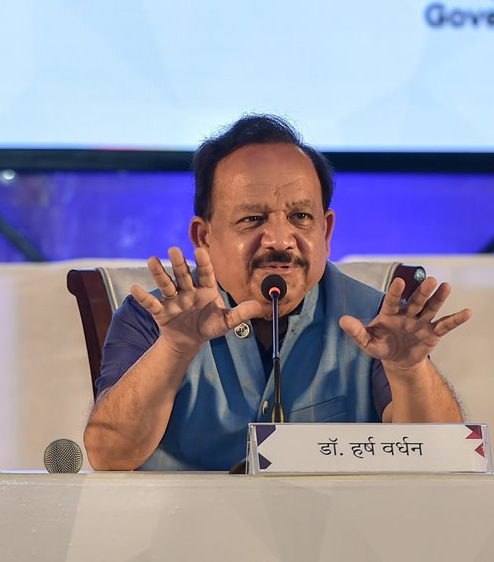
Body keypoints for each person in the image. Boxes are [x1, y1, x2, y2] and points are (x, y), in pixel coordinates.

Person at [83, 115, 471, 471]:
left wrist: (409, 371)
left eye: (301, 217)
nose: (281, 240)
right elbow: (108, 455)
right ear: (205, 237)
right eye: (252, 219)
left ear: (326, 231)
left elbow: (442, 464)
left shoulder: (374, 322)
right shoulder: (152, 319)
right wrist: (174, 349)